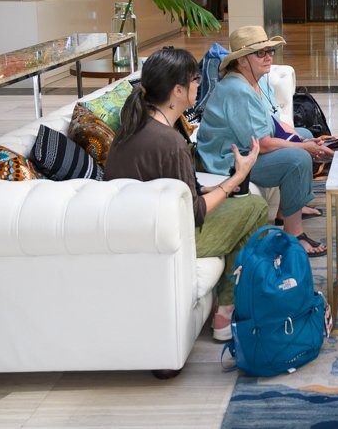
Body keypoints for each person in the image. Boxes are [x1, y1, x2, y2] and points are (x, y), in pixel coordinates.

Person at [105, 47, 268, 342]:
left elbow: (168, 186)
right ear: (178, 90)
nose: (199, 84)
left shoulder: (130, 128)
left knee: (238, 205)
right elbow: (194, 213)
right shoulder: (170, 142)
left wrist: (212, 189)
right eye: (195, 79)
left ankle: (228, 308)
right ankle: (228, 308)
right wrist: (237, 178)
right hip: (170, 238)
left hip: (137, 230)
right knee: (254, 207)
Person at [197, 26, 330, 257]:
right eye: (260, 53)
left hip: (252, 148)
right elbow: (264, 143)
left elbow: (276, 122)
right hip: (231, 160)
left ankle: (287, 210)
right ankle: (293, 235)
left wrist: (306, 141)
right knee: (298, 158)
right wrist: (303, 148)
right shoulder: (236, 90)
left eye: (270, 50)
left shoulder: (258, 81)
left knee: (306, 135)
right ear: (241, 61)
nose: (268, 56)